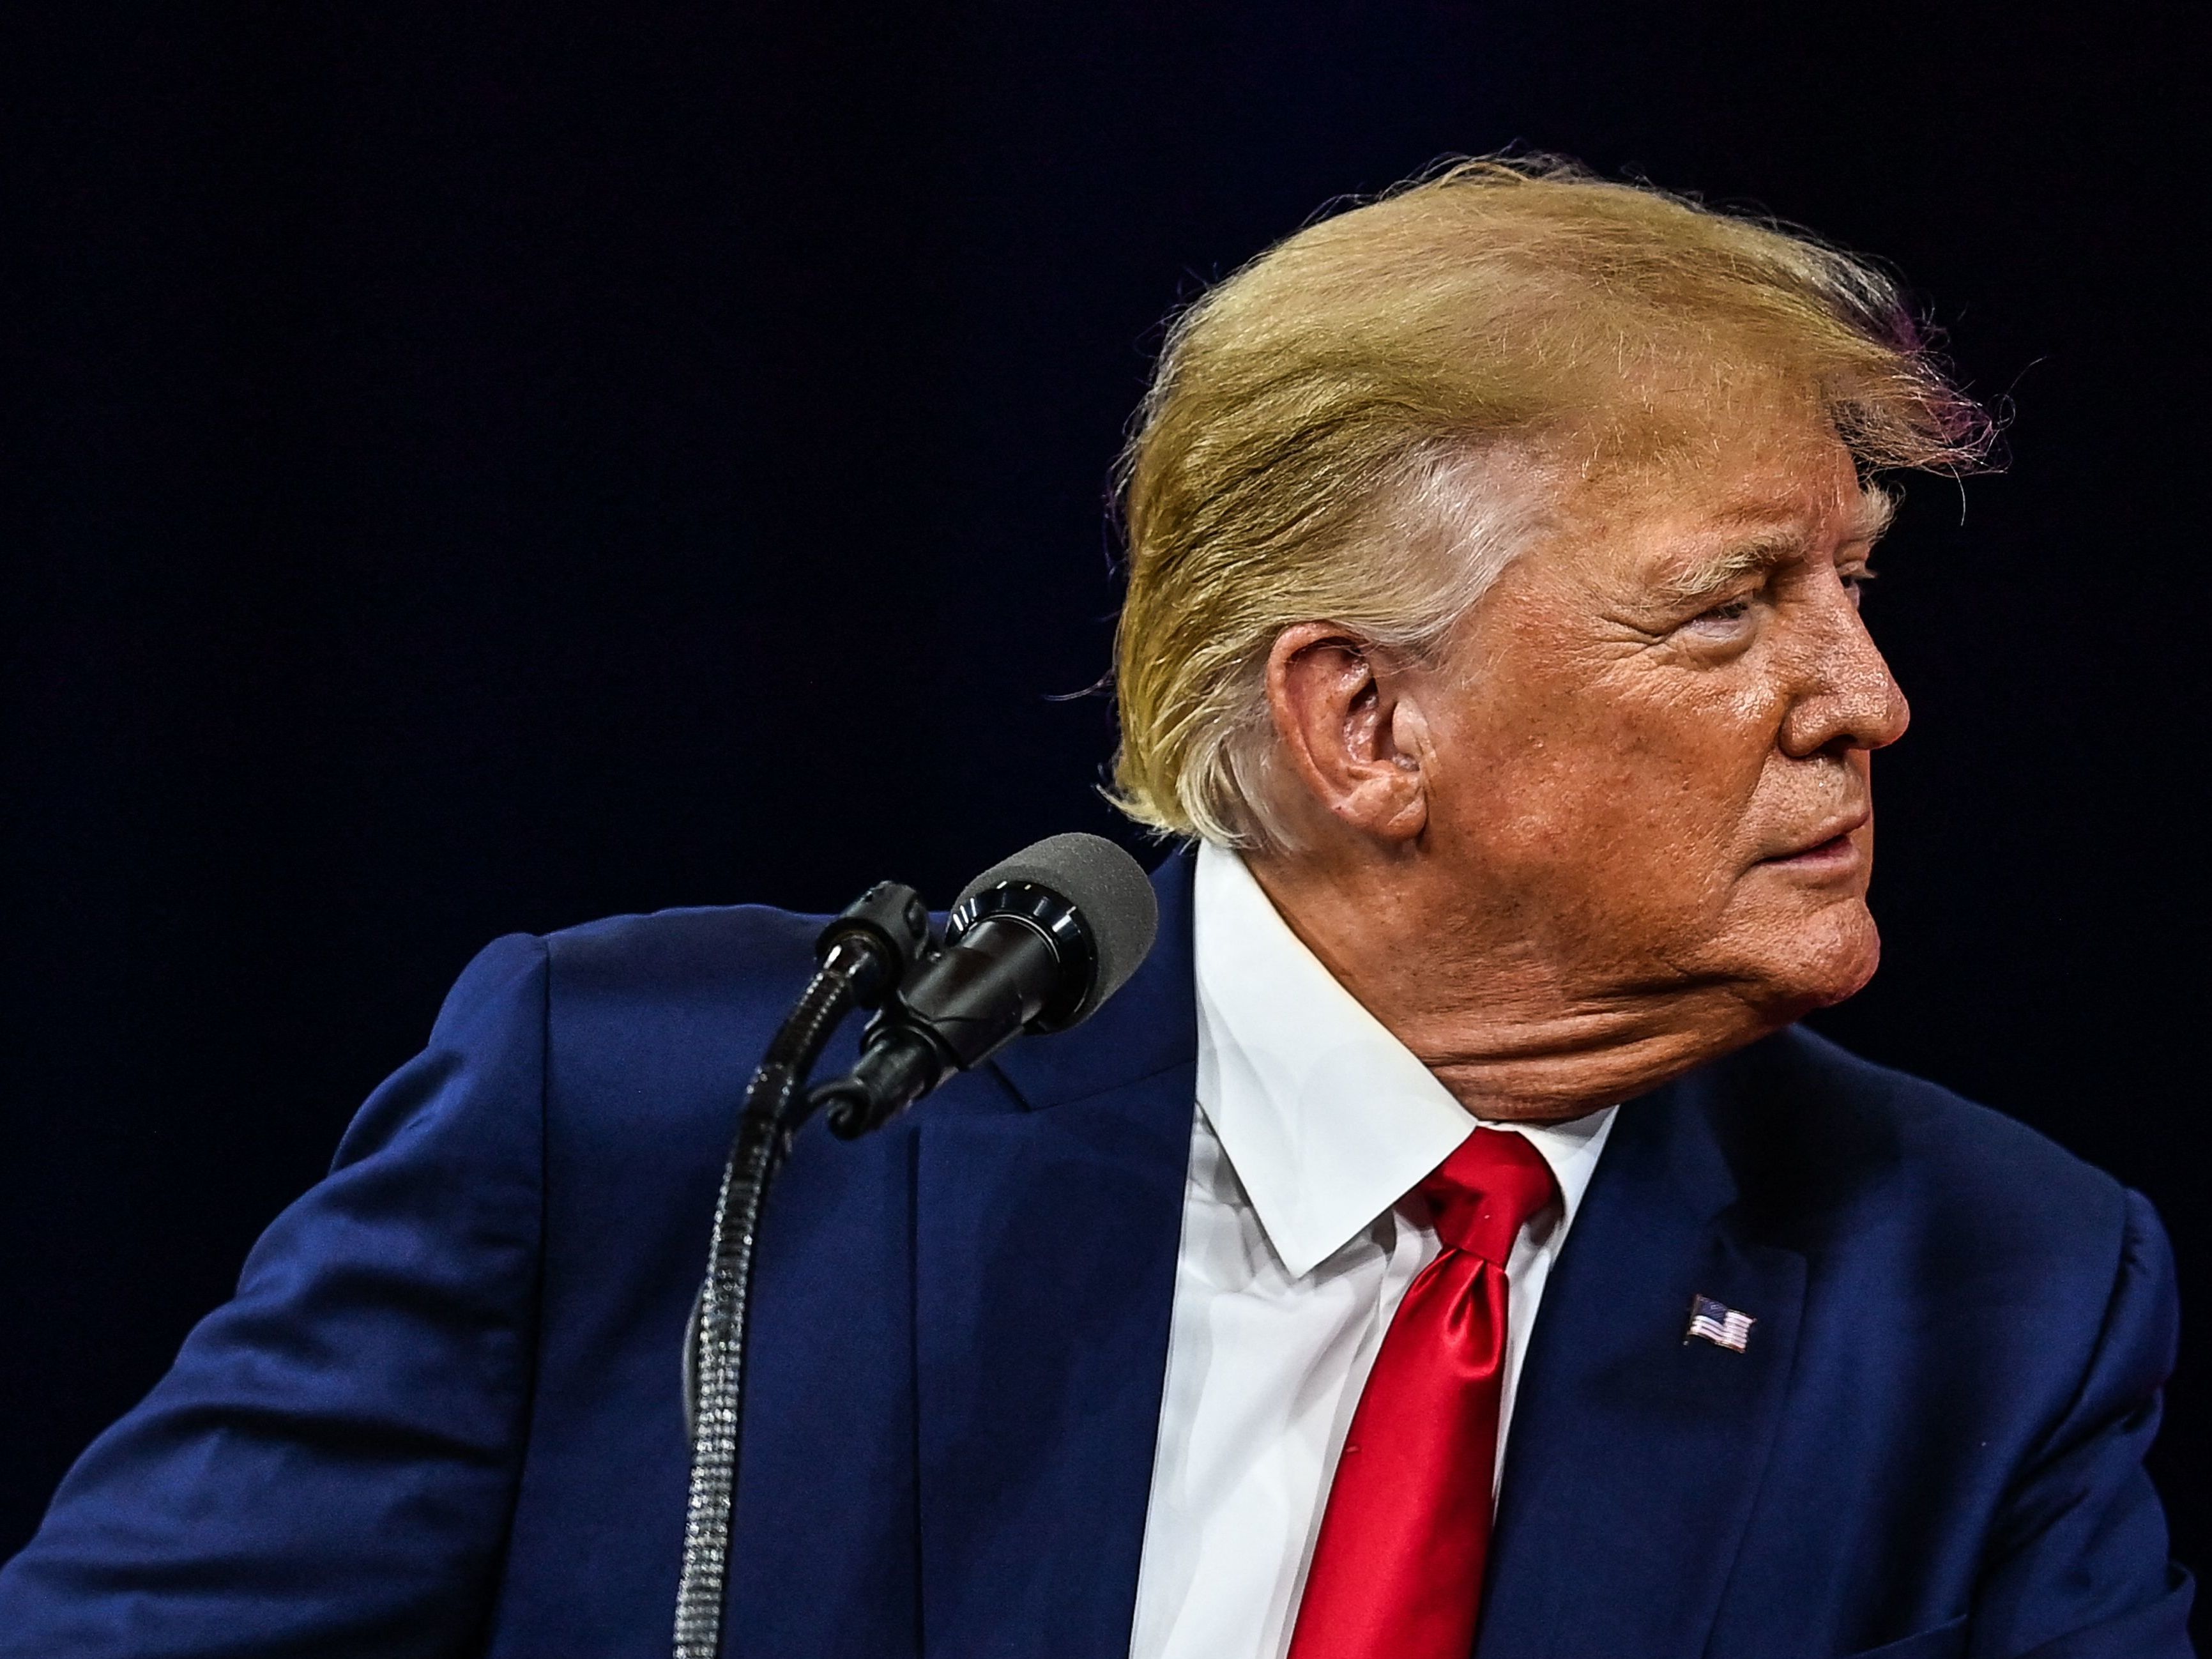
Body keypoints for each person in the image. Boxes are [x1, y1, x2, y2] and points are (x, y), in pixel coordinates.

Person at [0, 157, 2190, 1659]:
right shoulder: (690, 1120)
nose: (1869, 700)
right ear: (1365, 725)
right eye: (1731, 607)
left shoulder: (1996, 1293)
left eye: (1854, 587)